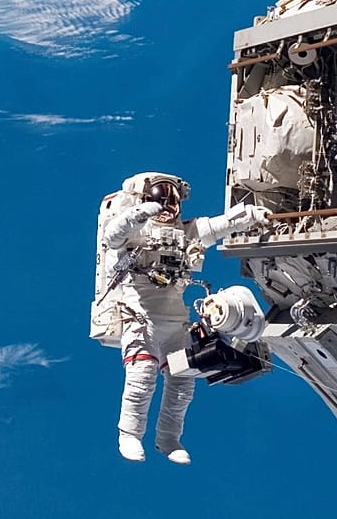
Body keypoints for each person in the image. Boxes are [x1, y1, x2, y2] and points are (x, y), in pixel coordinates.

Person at [99, 172, 269, 464]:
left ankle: (168, 440)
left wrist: (252, 214)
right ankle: (129, 435)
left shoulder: (185, 233)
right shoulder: (133, 233)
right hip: (142, 321)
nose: (166, 204)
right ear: (143, 197)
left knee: (181, 385)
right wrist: (140, 214)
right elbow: (112, 236)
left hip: (176, 325)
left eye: (172, 198)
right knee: (141, 380)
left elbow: (220, 225)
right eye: (159, 196)